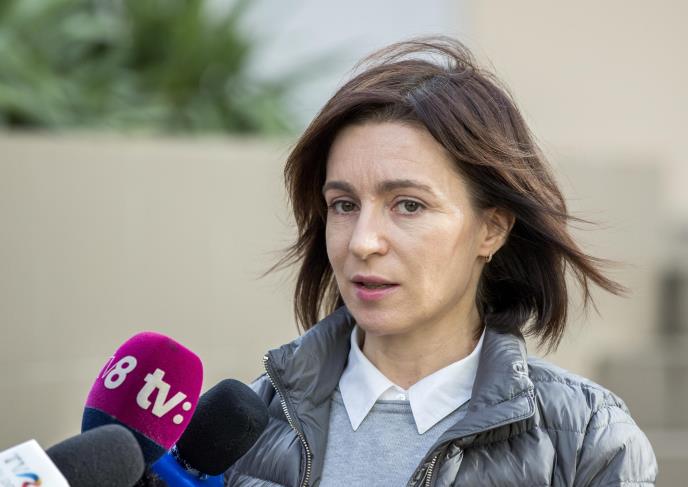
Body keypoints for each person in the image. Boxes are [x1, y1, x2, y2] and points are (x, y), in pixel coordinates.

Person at [224, 37, 657, 486]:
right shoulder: (244, 427)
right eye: (344, 205)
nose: (363, 242)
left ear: (491, 229)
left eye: (409, 205)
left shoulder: (589, 441)